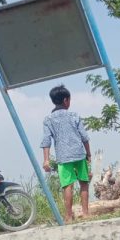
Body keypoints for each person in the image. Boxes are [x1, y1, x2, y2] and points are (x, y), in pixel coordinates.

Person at [41, 84, 92, 222]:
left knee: (67, 186)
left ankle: (68, 217)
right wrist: (89, 154)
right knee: (84, 183)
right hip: (79, 154)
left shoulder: (48, 120)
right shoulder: (74, 115)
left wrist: (46, 160)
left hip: (63, 157)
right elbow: (84, 137)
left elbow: (46, 141)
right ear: (66, 100)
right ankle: (86, 213)